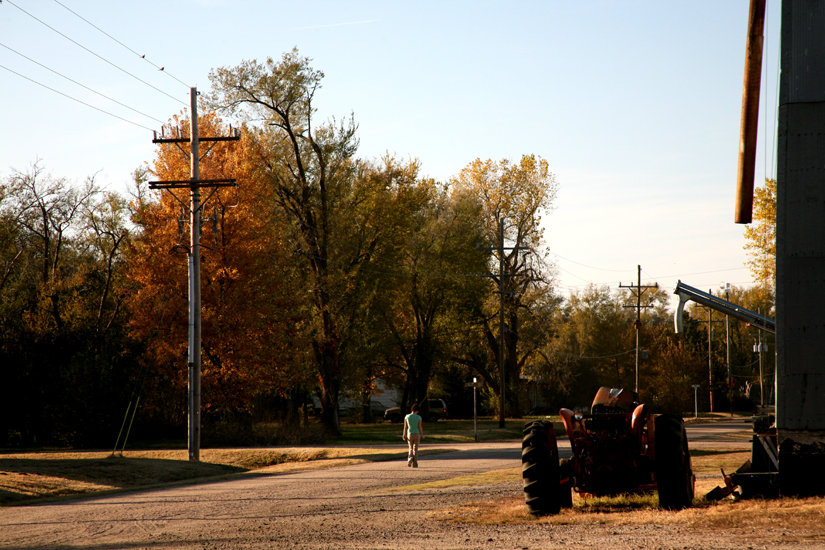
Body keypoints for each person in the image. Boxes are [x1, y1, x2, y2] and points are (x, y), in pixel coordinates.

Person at [402, 403, 423, 467]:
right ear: (417, 410)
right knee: (415, 449)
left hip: (409, 434)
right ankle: (415, 463)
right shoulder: (419, 417)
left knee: (410, 448)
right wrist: (422, 434)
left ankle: (410, 458)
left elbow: (405, 427)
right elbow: (420, 427)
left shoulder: (407, 416)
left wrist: (404, 434)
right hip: (417, 434)